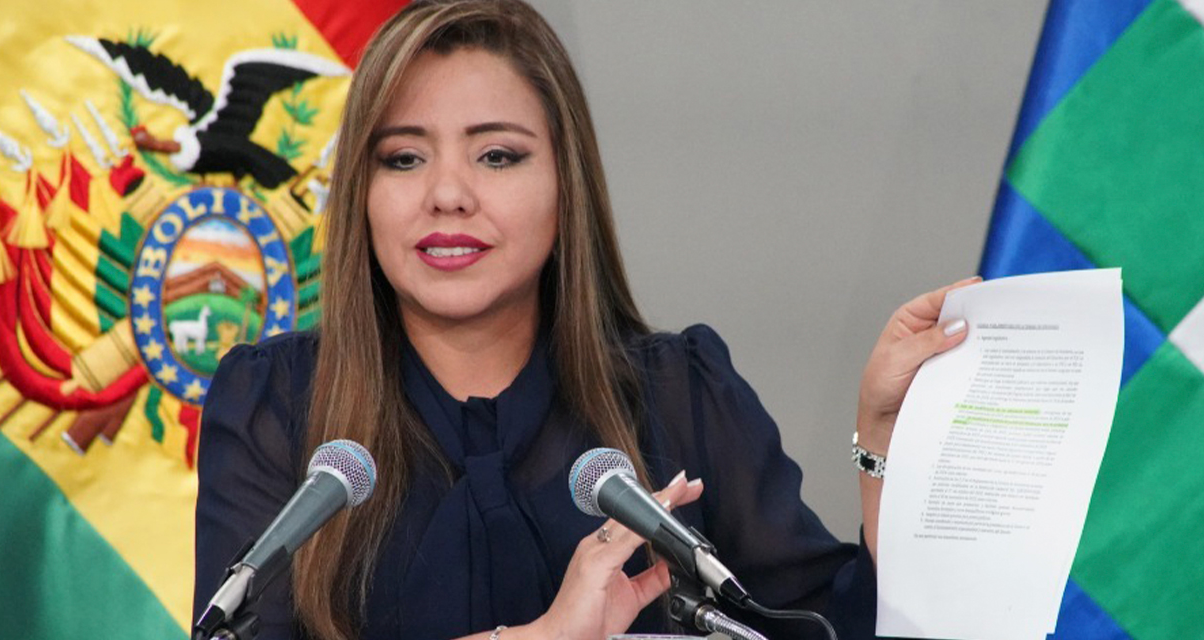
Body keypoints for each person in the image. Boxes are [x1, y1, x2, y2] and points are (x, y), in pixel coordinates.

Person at [193, 1, 975, 639]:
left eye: (497, 155)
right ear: (360, 195)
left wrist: (883, 448)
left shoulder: (681, 394)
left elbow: (827, 627)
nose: (448, 194)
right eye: (403, 158)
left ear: (567, 184)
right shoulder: (275, 406)